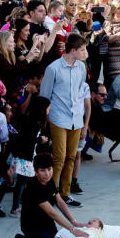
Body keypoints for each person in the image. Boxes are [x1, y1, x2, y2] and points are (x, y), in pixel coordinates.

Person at [39, 33, 88, 208]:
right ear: (73, 50)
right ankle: (49, 194)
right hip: (58, 117)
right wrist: (44, 123)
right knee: (59, 158)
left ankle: (65, 194)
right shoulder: (53, 68)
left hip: (75, 118)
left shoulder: (81, 68)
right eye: (82, 49)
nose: (84, 52)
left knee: (71, 156)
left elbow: (80, 91)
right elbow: (44, 96)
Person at [10, 153, 90, 238]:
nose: (47, 174)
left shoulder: (49, 181)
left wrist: (74, 222)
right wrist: (72, 230)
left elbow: (60, 202)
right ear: (36, 172)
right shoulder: (33, 187)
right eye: (43, 170)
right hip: (31, 223)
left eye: (49, 169)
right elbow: (52, 213)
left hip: (46, 221)